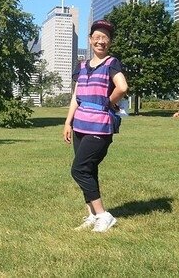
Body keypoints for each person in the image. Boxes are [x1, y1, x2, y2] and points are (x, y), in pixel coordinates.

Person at [63, 19, 128, 233]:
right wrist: (68, 121)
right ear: (90, 40)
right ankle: (91, 215)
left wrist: (109, 103)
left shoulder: (112, 63)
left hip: (100, 126)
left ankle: (103, 215)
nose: (101, 41)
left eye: (105, 38)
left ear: (109, 42)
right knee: (89, 170)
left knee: (79, 169)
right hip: (80, 124)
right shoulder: (81, 66)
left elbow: (122, 86)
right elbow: (76, 95)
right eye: (97, 37)